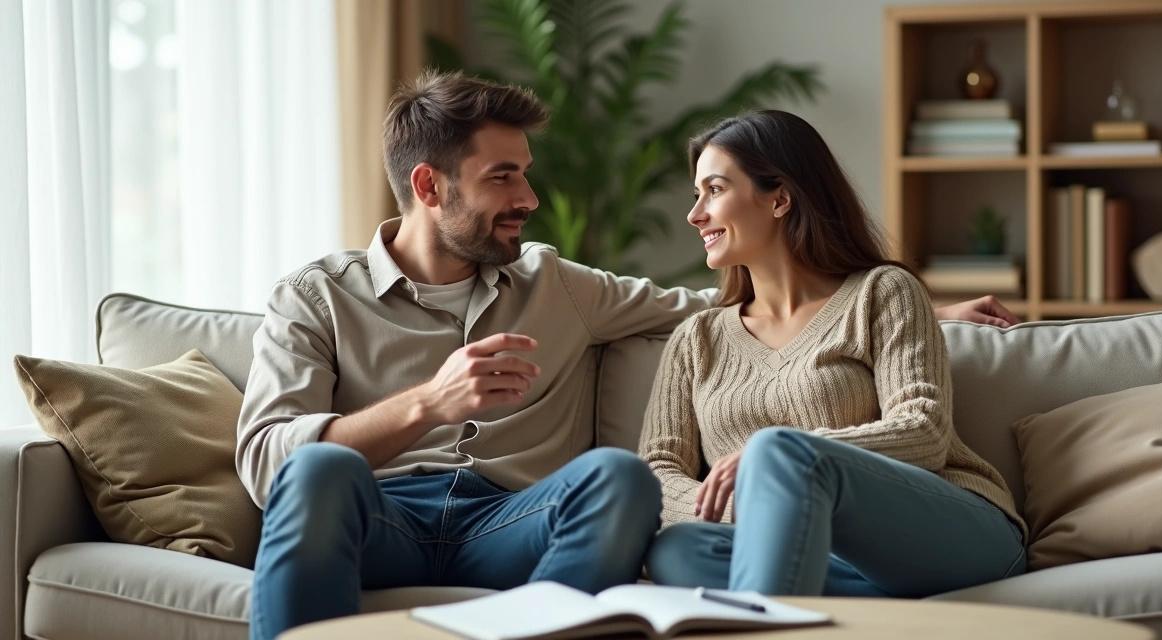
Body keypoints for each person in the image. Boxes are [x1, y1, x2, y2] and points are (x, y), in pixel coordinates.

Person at [237, 71, 1018, 637]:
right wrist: (427, 405)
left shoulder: (555, 281)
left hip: (508, 521)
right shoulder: (314, 297)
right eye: (503, 177)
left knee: (618, 478)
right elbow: (269, 464)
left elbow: (714, 306)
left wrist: (914, 307)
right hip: (379, 518)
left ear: (779, 197)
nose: (530, 200)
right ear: (429, 187)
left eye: (526, 175)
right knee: (318, 466)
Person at [638, 110, 1027, 599]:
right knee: (675, 550)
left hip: (946, 530)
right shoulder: (698, 339)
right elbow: (656, 472)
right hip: (810, 552)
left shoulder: (883, 292)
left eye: (714, 190)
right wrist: (768, 502)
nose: (696, 214)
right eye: (697, 195)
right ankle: (848, 601)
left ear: (779, 197)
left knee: (778, 450)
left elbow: (924, 431)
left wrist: (781, 463)